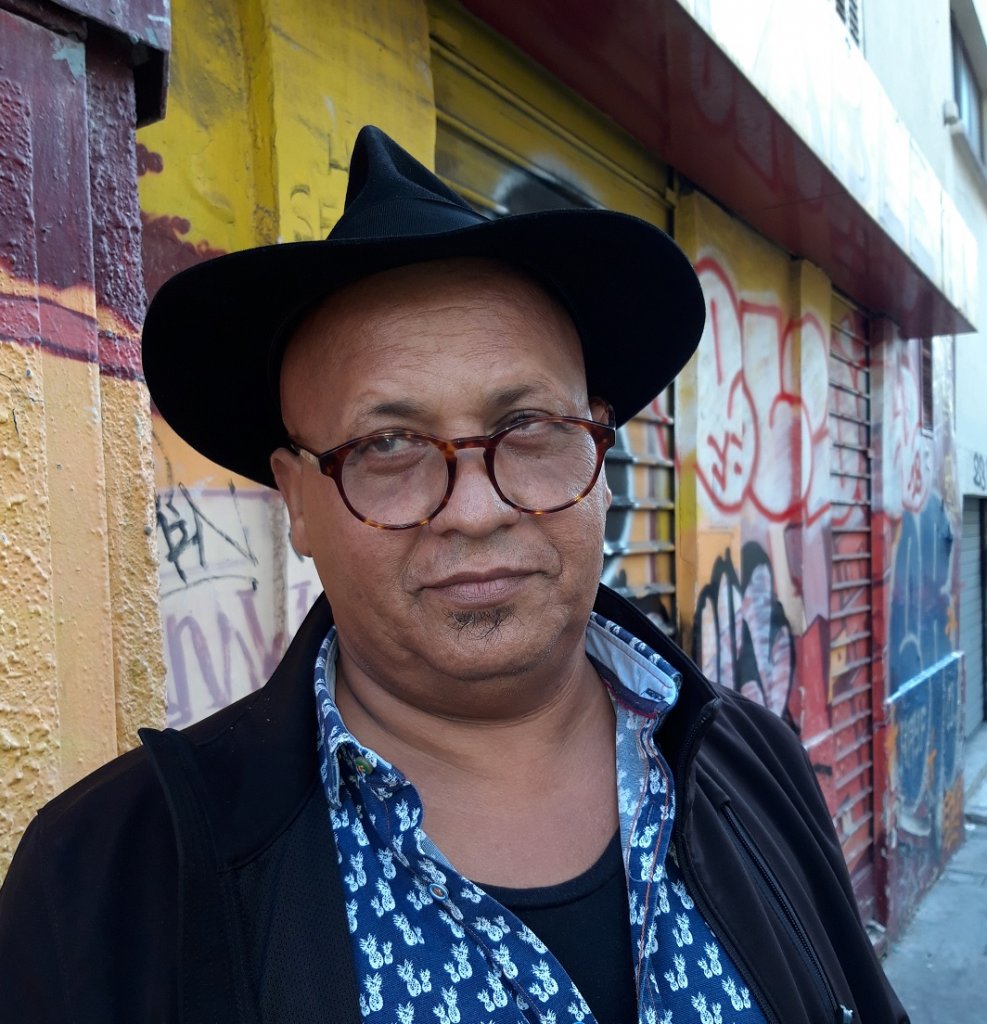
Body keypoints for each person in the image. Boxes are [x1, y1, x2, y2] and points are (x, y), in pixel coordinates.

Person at [0, 126, 907, 1024]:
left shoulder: (748, 764)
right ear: (298, 501)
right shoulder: (112, 882)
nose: (474, 510)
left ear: (599, 450)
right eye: (387, 445)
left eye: (528, 428)